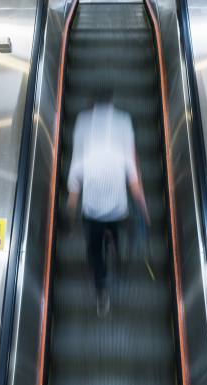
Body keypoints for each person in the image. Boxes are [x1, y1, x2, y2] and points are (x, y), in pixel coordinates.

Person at [66, 91, 149, 317]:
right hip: (118, 209)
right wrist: (142, 205)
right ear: (112, 103)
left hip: (92, 212)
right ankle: (116, 252)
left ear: (91, 103)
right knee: (116, 231)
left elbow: (74, 179)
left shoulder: (84, 136)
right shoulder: (122, 131)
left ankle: (102, 290)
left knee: (94, 251)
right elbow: (133, 174)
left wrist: (71, 212)